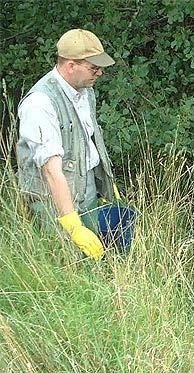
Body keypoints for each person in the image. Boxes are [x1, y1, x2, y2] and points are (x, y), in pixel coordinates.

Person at [17, 29, 117, 260]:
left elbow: (90, 141)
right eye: (94, 68)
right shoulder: (40, 103)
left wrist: (106, 183)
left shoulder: (85, 91)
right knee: (63, 263)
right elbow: (52, 171)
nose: (100, 73)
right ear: (71, 66)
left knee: (93, 259)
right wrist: (72, 225)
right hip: (52, 201)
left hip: (87, 188)